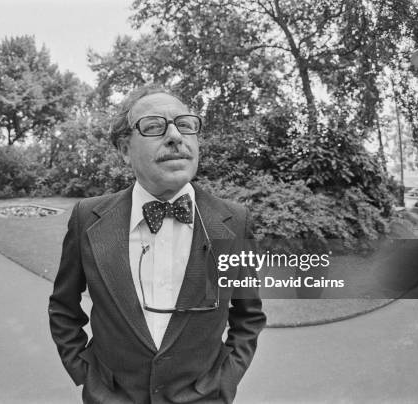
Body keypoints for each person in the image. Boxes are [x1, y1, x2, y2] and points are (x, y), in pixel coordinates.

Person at [49, 86, 266, 403]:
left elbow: (248, 316)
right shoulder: (87, 218)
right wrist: (86, 374)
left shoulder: (234, 222)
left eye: (186, 124)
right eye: (153, 126)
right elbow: (63, 308)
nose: (176, 136)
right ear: (125, 149)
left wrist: (226, 380)